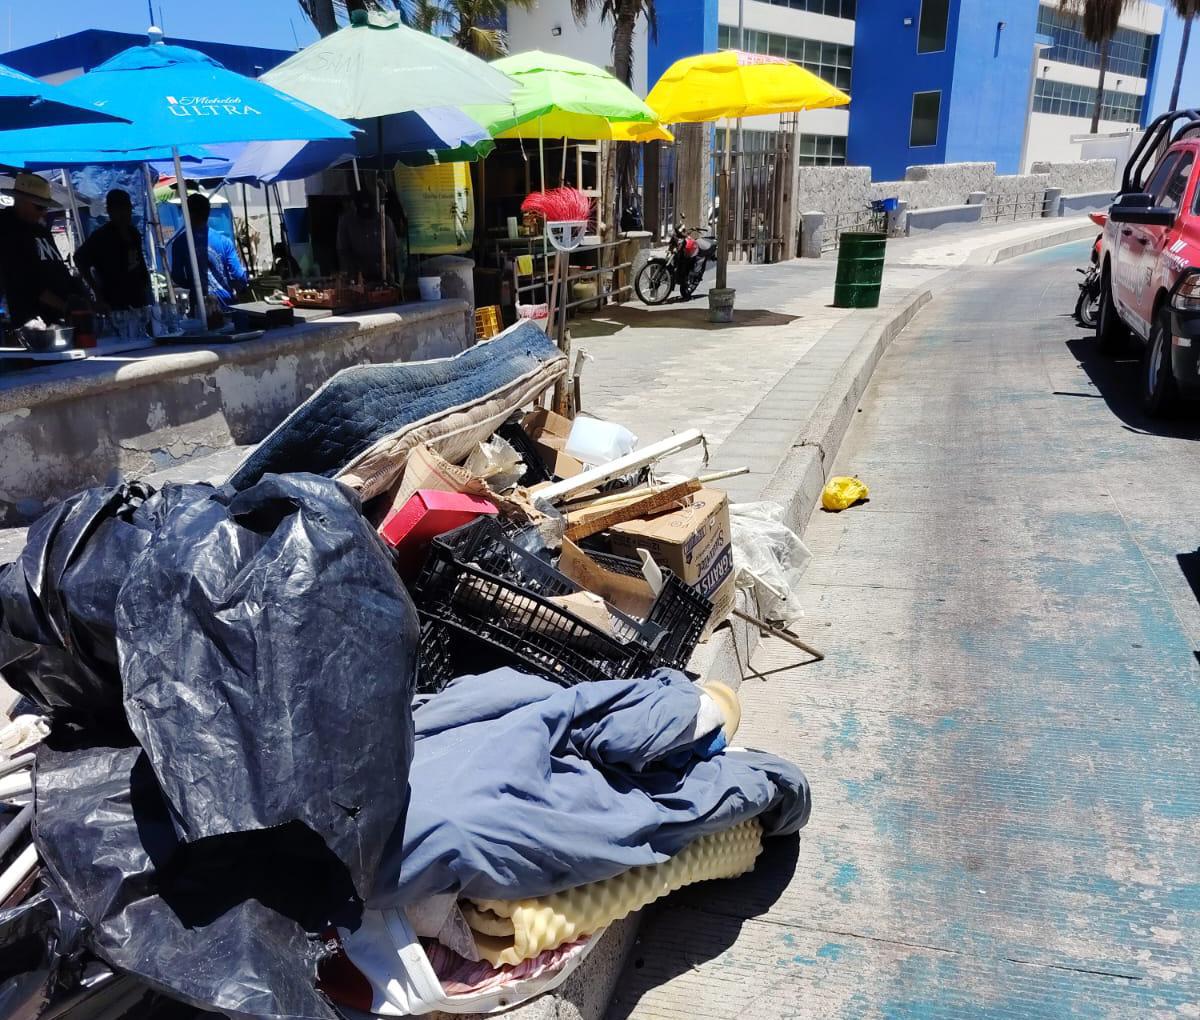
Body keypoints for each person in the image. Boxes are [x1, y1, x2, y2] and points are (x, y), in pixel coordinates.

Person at [0, 172, 85, 326]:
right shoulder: (7, 230)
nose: (43, 212)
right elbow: (24, 280)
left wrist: (80, 298)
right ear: (21, 200)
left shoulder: (41, 229)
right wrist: (65, 307)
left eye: (45, 207)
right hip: (34, 323)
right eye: (39, 206)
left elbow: (58, 268)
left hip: (61, 318)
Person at [75, 189, 151, 313]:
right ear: (110, 212)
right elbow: (78, 258)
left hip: (138, 297)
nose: (123, 214)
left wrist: (145, 282)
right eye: (118, 210)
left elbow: (139, 260)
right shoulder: (101, 236)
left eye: (126, 209)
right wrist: (96, 291)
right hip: (113, 300)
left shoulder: (133, 232)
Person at [170, 192, 249, 311]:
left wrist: (193, 285)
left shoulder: (180, 243)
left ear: (187, 214)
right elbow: (239, 275)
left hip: (199, 306)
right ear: (208, 213)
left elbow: (177, 276)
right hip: (225, 304)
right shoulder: (224, 241)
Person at [337, 189, 400, 283]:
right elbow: (343, 251)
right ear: (355, 207)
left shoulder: (384, 221)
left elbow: (392, 249)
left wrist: (386, 266)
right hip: (357, 275)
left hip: (381, 273)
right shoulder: (346, 222)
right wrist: (352, 271)